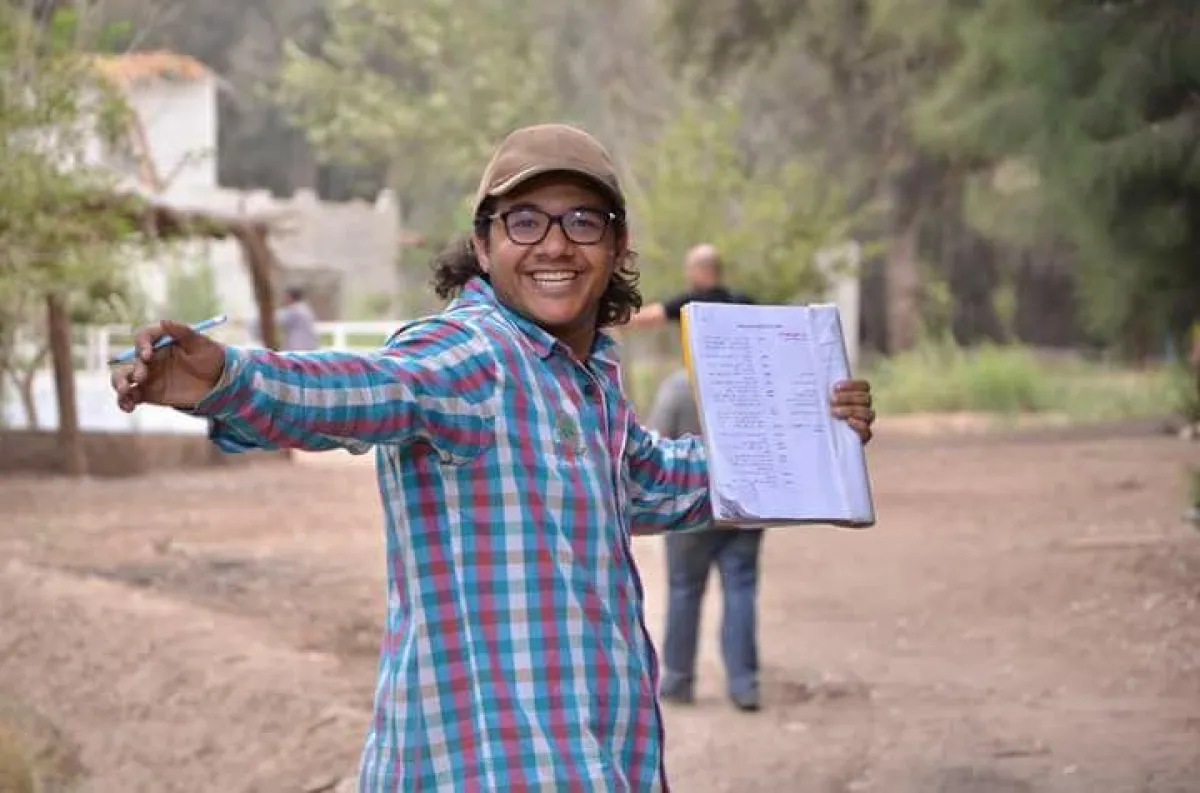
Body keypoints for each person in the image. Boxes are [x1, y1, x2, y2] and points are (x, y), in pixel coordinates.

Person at [110, 123, 876, 791]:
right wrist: (229, 380)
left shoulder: (591, 380)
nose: (555, 244)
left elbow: (654, 479)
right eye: (524, 220)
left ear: (616, 245)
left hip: (599, 756)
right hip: (488, 765)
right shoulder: (470, 356)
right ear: (483, 245)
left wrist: (817, 435)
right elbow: (363, 388)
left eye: (582, 220)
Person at [648, 367, 765, 712]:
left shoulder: (678, 386)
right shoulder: (751, 384)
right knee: (740, 589)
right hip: (746, 506)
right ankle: (744, 684)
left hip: (688, 509)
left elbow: (655, 443)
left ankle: (678, 680)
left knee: (684, 590)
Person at [626, 243, 754, 327]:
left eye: (690, 269)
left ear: (704, 270)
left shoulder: (692, 304)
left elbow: (650, 316)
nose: (687, 274)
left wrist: (619, 318)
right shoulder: (744, 302)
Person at [247, 285, 319, 350]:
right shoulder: (303, 308)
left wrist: (250, 321)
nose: (284, 299)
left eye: (286, 296)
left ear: (290, 297)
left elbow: (274, 319)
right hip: (306, 345)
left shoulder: (295, 310)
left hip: (299, 346)